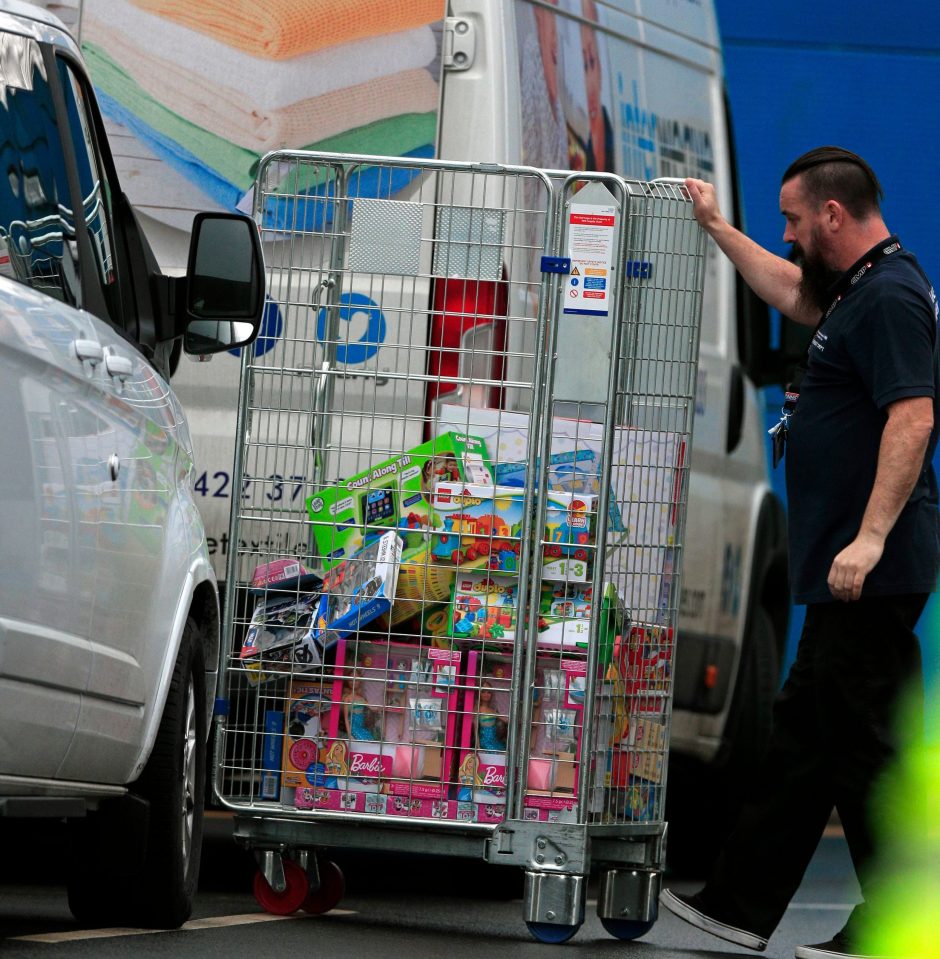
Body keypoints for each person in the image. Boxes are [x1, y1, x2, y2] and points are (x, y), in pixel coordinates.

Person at [658, 146, 940, 959]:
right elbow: (789, 290)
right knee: (806, 743)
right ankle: (739, 905)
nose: (784, 235)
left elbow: (913, 418)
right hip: (842, 570)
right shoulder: (857, 289)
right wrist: (716, 227)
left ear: (832, 215)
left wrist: (872, 537)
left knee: (862, 746)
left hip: (868, 568)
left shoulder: (891, 298)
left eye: (790, 219)